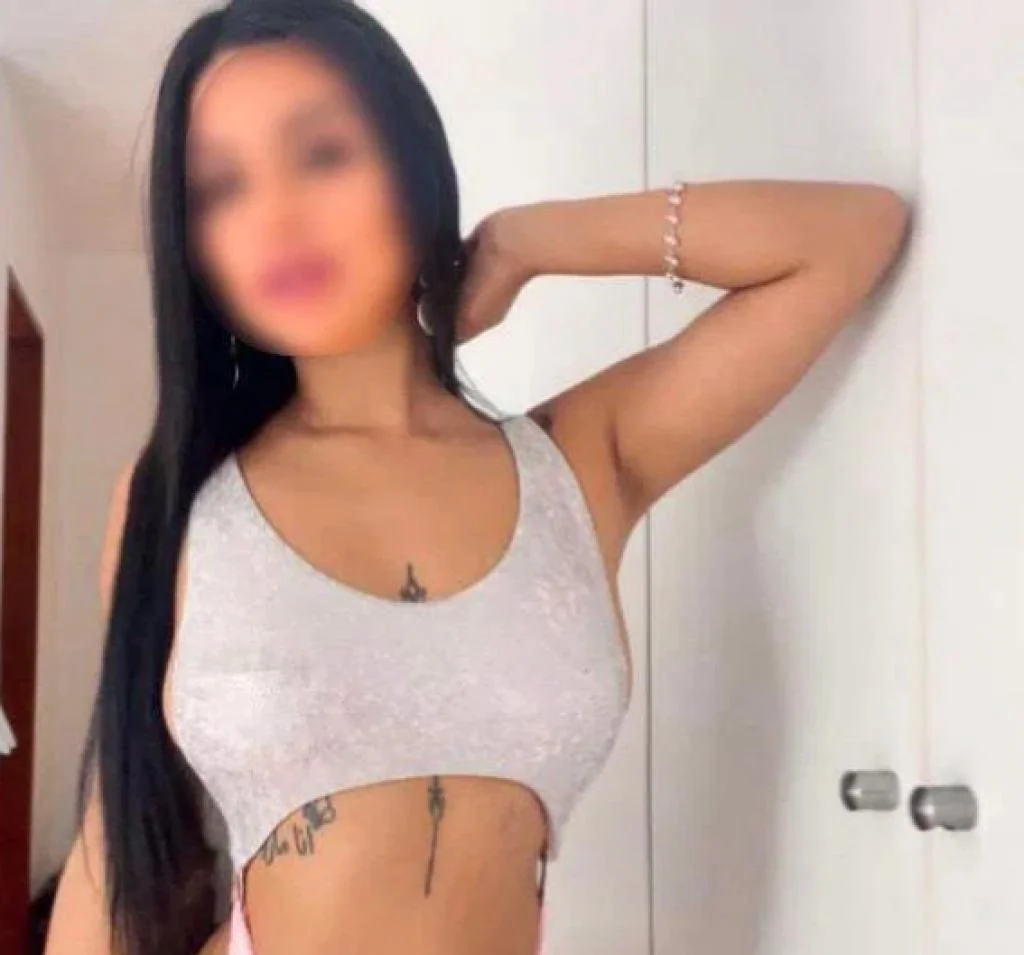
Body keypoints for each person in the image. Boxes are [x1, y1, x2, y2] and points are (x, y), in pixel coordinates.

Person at [42, 1, 910, 954]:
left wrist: (527, 242)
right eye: (220, 188)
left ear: (412, 171)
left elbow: (848, 237)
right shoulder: (180, 501)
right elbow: (110, 851)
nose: (276, 216)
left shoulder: (582, 460)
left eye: (322, 154)